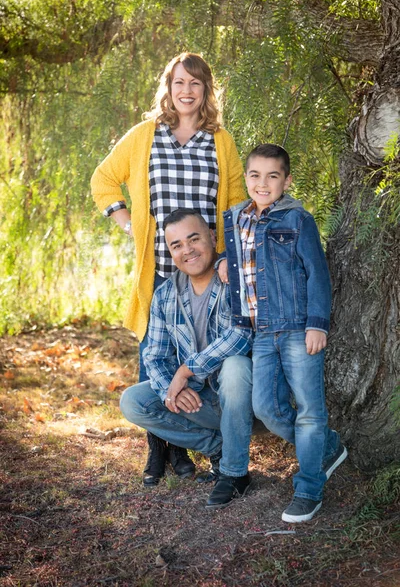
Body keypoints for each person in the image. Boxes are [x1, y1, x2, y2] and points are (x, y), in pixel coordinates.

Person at [91, 52, 246, 486]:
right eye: (179, 82)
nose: (187, 91)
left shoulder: (221, 141)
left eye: (196, 84)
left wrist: (230, 257)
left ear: (206, 91)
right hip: (160, 268)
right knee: (153, 359)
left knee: (206, 356)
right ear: (168, 87)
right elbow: (103, 178)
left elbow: (235, 205)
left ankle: (195, 445)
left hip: (209, 270)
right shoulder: (145, 136)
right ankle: (159, 452)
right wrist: (126, 223)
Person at [220, 143, 348, 522]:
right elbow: (246, 262)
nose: (263, 183)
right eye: (256, 175)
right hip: (260, 332)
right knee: (268, 408)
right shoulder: (236, 218)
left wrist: (317, 323)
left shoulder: (298, 219)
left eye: (273, 176)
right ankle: (328, 446)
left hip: (296, 329)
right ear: (246, 178)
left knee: (309, 411)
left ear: (286, 180)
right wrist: (224, 260)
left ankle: (309, 489)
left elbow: (317, 274)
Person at [120, 209, 254, 508]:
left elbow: (242, 335)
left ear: (213, 237)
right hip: (201, 402)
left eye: (194, 239)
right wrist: (173, 388)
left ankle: (235, 473)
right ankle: (221, 449)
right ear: (170, 252)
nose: (187, 250)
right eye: (176, 245)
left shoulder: (233, 277)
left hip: (246, 401)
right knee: (133, 401)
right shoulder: (166, 294)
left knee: (235, 366)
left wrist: (186, 371)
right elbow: (154, 356)